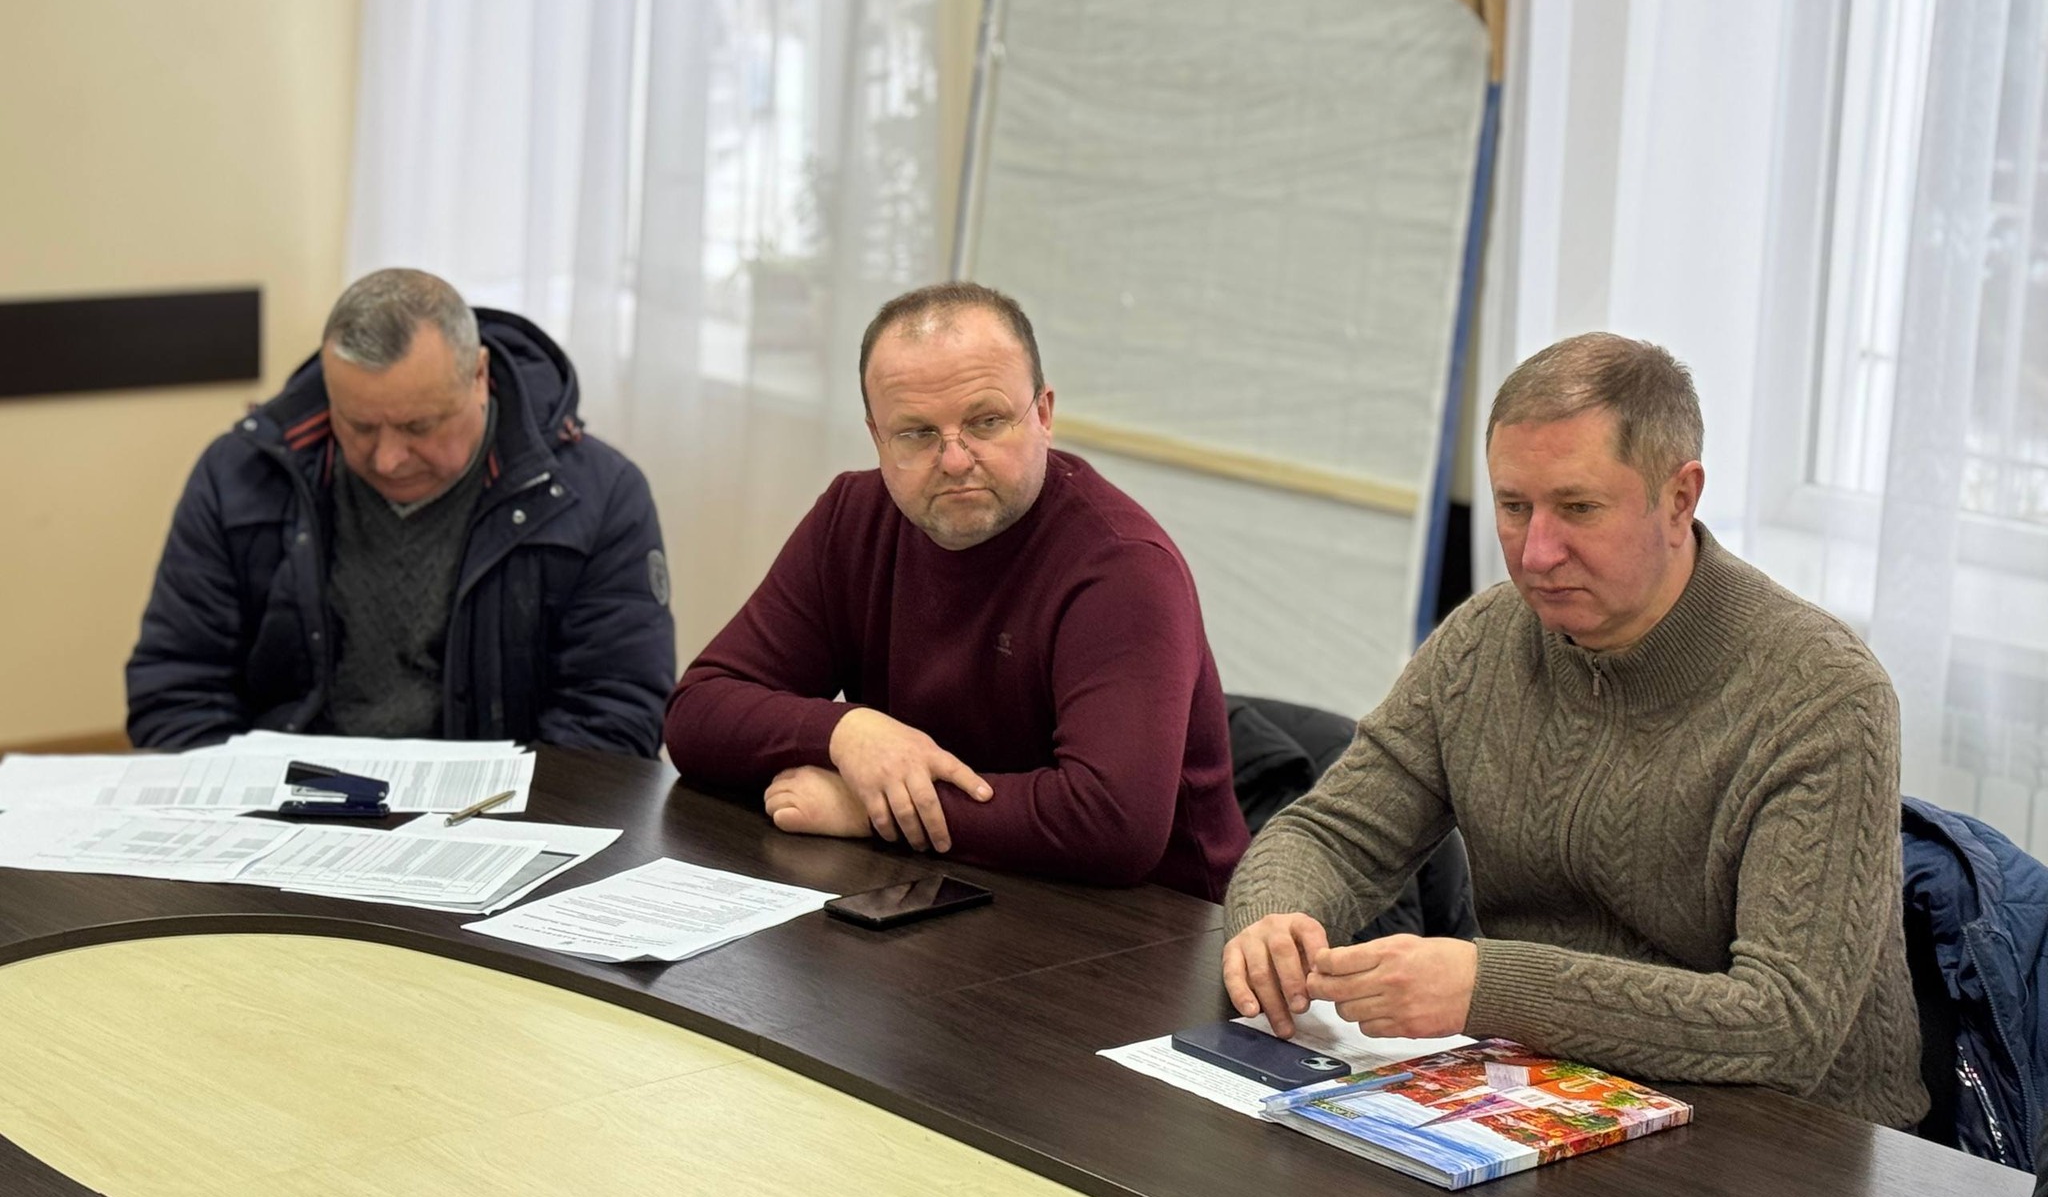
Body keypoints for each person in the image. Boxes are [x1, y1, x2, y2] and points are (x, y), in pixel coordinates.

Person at [1223, 332, 1927, 1128]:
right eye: (1513, 507)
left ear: (1680, 499)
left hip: (1788, 1142)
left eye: (1578, 508)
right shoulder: (1484, 640)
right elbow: (1331, 835)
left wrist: (1486, 988)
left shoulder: (1824, 694)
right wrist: (1274, 917)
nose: (1536, 552)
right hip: (1543, 1094)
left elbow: (1785, 1023)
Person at [664, 282, 1248, 901]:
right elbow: (697, 714)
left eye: (986, 421)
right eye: (916, 433)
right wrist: (846, 732)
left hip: (1155, 925)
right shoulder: (852, 518)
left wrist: (875, 809)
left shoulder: (1123, 565)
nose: (955, 460)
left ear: (1044, 415)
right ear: (877, 438)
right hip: (947, 891)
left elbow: (1111, 825)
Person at [127, 269, 674, 755]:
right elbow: (177, 689)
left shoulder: (596, 496)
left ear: (479, 376)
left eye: (419, 426)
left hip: (496, 814)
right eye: (359, 426)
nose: (388, 459)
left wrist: (507, 819)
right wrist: (243, 807)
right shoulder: (242, 476)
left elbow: (613, 718)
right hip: (279, 805)